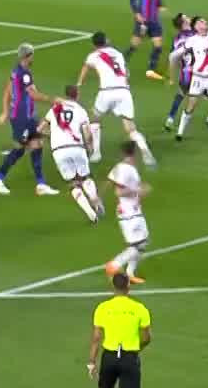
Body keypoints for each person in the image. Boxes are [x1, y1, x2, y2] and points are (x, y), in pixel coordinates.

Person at [87, 270, 152, 388]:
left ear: (113, 287)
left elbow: (96, 338)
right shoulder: (139, 309)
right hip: (129, 357)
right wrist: (137, 348)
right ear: (128, 287)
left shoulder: (102, 308)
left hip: (109, 356)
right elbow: (147, 337)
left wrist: (91, 362)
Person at [79, 32, 156, 167]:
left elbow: (86, 67)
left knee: (95, 120)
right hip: (123, 91)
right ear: (106, 41)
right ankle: (145, 150)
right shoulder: (118, 54)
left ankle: (96, 153)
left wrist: (79, 84)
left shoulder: (94, 55)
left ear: (95, 44)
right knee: (130, 128)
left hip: (106, 92)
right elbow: (126, 74)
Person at [0, 43, 60, 196]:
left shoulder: (17, 71)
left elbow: (7, 91)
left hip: (28, 117)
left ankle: (41, 184)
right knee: (20, 148)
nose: (33, 58)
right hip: (21, 118)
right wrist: (52, 100)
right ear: (27, 56)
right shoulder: (24, 74)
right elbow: (33, 95)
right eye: (32, 55)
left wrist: (5, 112)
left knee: (37, 145)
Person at [45, 84, 106, 223]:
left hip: (58, 150)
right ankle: (95, 200)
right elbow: (87, 133)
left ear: (66, 95)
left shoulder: (55, 109)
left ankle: (90, 213)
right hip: (76, 147)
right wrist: (90, 147)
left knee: (73, 183)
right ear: (77, 95)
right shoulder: (80, 110)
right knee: (85, 177)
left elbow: (41, 128)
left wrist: (53, 136)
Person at [104, 142, 150, 285]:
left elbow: (110, 181)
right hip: (129, 212)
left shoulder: (121, 167)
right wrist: (138, 190)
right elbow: (119, 191)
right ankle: (115, 264)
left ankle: (130, 273)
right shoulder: (127, 169)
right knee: (139, 244)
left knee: (142, 242)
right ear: (134, 152)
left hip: (132, 210)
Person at [128, 0, 169, 79]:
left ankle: (151, 69)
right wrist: (137, 13)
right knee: (134, 45)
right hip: (143, 20)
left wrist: (161, 5)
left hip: (154, 20)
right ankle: (119, 64)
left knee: (158, 45)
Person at [161, 13, 195, 130]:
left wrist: (171, 77)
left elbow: (173, 58)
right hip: (200, 73)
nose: (189, 18)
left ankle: (170, 119)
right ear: (184, 23)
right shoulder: (196, 35)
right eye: (187, 17)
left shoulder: (177, 39)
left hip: (185, 73)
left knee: (181, 94)